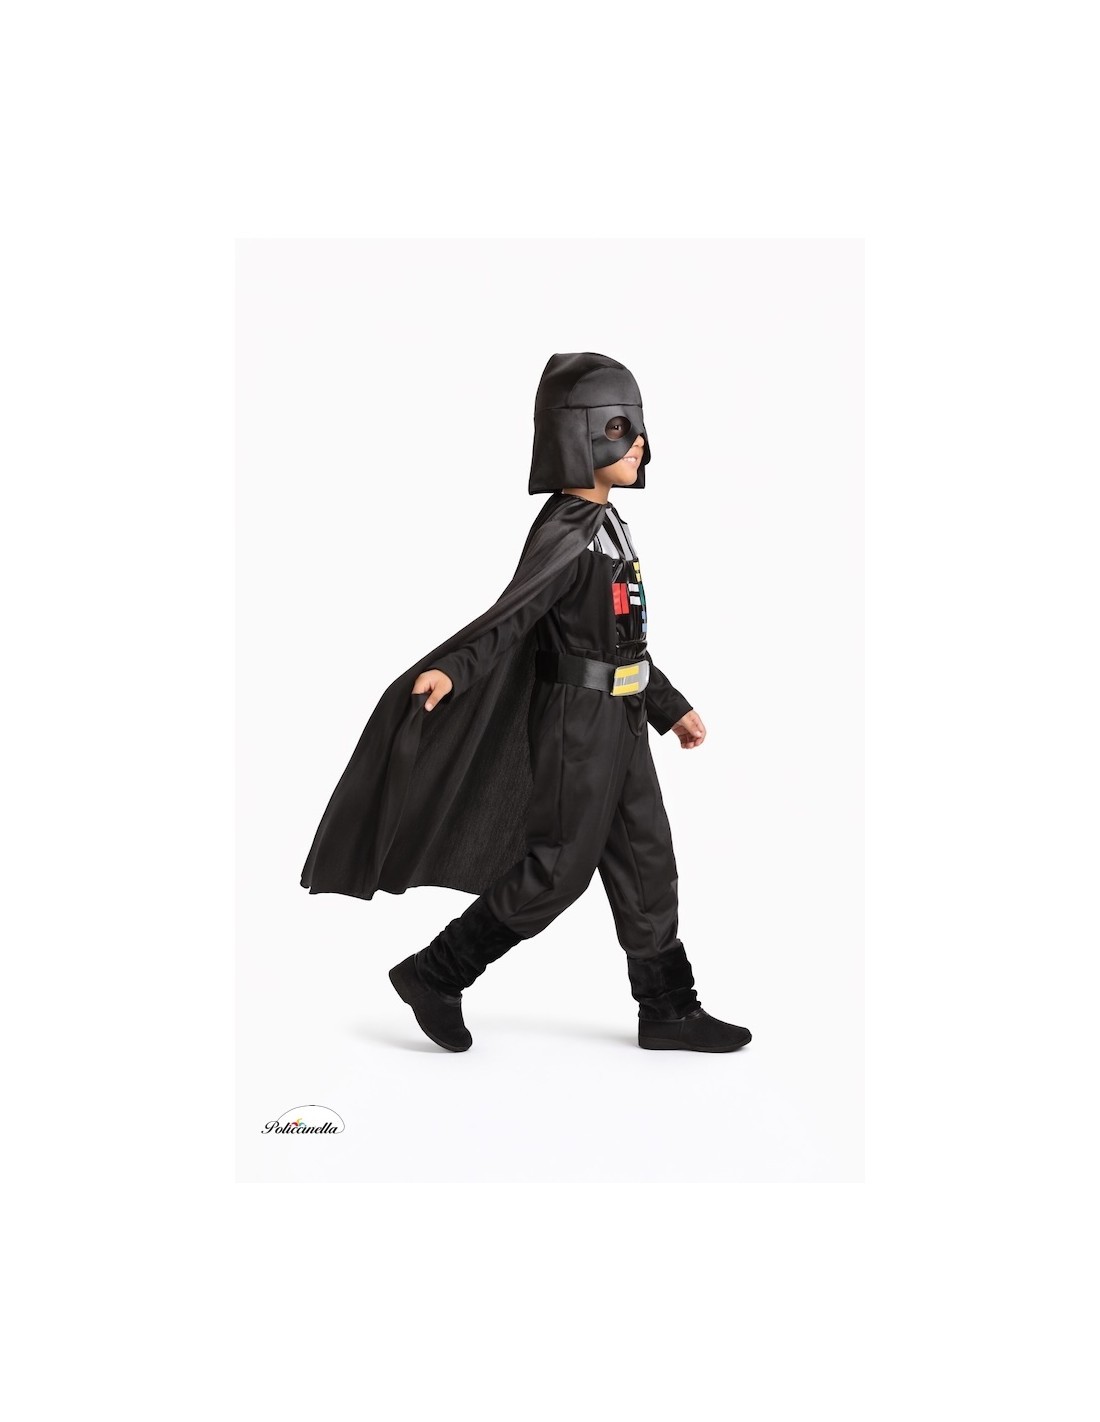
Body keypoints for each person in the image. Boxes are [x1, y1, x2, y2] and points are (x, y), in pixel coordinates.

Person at [301, 351, 752, 1055]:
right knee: (557, 869)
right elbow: (513, 616)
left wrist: (669, 706)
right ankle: (436, 972)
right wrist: (454, 669)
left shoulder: (607, 524)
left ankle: (669, 1009)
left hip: (624, 722)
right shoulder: (566, 529)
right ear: (579, 435)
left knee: (647, 860)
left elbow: (621, 639)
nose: (639, 444)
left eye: (638, 428)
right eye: (619, 428)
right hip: (578, 725)